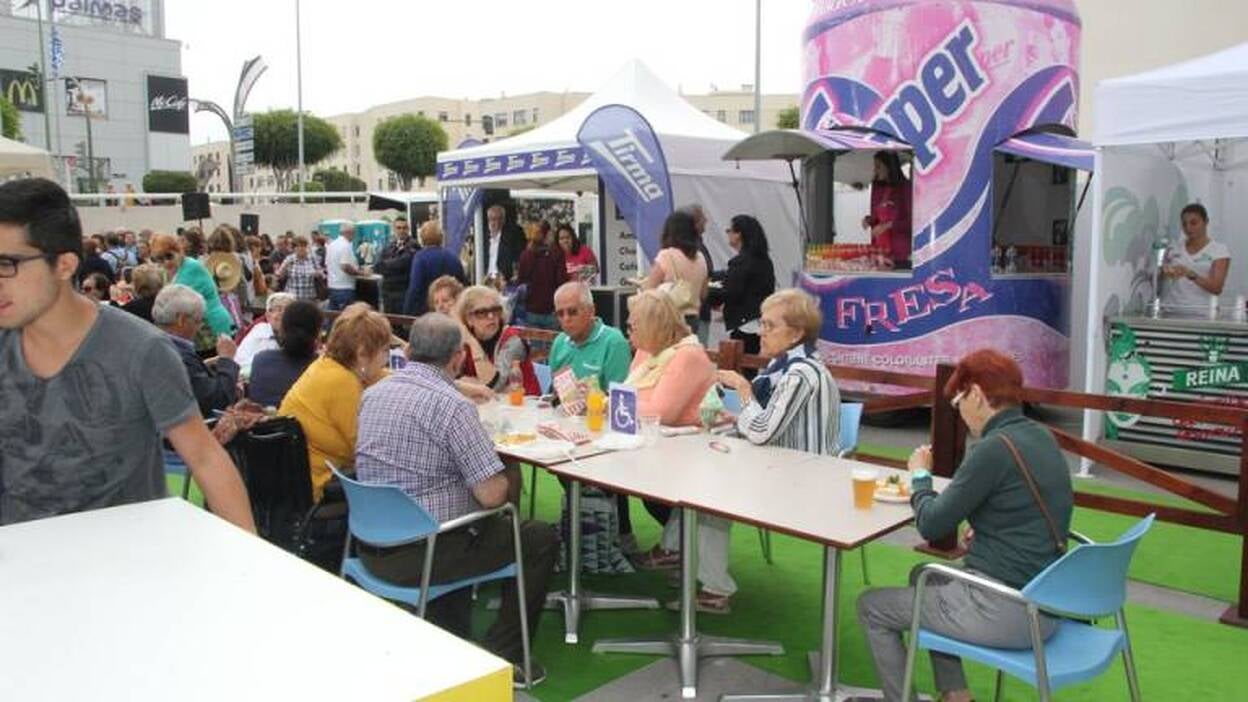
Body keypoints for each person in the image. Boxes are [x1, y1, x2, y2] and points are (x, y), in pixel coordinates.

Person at [0, 178, 254, 530]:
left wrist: (248, 570)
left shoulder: (141, 350)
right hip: (19, 562)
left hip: (124, 562)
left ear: (64, 265)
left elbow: (205, 458)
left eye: (6, 264)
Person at [856, 349, 1073, 702]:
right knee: (924, 573)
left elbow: (931, 523)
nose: (959, 412)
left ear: (975, 394)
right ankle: (957, 696)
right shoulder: (1040, 436)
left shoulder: (992, 448)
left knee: (872, 606)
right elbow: (1034, 505)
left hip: (1006, 608)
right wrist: (987, 525)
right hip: (1045, 598)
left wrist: (920, 476)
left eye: (958, 401)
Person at [355, 312, 558, 687]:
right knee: (537, 537)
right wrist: (503, 465)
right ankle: (505, 655)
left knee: (468, 520)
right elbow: (493, 495)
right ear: (458, 358)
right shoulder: (453, 408)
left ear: (410, 350)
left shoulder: (372, 394)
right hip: (427, 552)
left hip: (370, 546)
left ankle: (449, 636)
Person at [625, 291, 734, 612]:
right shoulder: (648, 352)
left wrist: (617, 402)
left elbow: (662, 411)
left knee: (705, 497)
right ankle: (673, 549)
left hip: (703, 450)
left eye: (633, 325)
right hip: (664, 446)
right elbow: (625, 396)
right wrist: (618, 401)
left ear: (654, 325)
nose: (628, 332)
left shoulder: (687, 356)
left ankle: (716, 587)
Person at [548, 281, 637, 555]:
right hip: (570, 429)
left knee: (589, 465)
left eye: (572, 312)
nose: (565, 319)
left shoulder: (613, 341)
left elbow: (622, 400)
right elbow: (555, 391)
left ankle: (619, 532)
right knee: (557, 461)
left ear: (591, 310)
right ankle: (584, 525)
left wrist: (591, 398)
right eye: (559, 313)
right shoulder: (560, 343)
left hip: (608, 433)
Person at [278, 302, 391, 502]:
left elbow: (379, 373)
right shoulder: (343, 383)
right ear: (363, 353)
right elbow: (364, 447)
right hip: (320, 485)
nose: (387, 358)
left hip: (292, 478)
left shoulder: (326, 365)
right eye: (385, 350)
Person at [718, 289, 840, 454]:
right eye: (761, 324)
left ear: (796, 334)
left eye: (770, 326)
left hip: (804, 471)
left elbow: (761, 433)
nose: (760, 332)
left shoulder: (800, 374)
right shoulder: (782, 365)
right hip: (780, 463)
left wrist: (742, 387)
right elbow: (771, 422)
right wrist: (739, 420)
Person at [153, 284, 241, 417]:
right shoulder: (176, 353)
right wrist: (227, 359)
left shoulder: (152, 340)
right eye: (198, 320)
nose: (199, 327)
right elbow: (217, 400)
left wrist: (205, 364)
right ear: (181, 320)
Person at [454, 285, 540, 394]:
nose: (491, 316)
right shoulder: (462, 342)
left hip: (525, 406)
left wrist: (472, 342)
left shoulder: (513, 339)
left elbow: (494, 385)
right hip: (488, 406)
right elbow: (449, 382)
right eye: (482, 312)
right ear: (469, 319)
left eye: (495, 310)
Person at [709, 215, 776, 355]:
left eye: (729, 230)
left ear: (739, 234)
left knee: (740, 368)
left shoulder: (741, 262)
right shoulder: (764, 260)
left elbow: (730, 291)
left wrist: (704, 292)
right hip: (758, 320)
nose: (727, 234)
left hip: (745, 325)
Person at [150, 232, 235, 340]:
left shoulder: (192, 267)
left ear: (179, 251)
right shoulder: (168, 272)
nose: (166, 262)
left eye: (169, 256)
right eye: (160, 259)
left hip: (212, 325)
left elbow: (174, 302)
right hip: (194, 327)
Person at [642, 210, 709, 337]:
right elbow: (704, 293)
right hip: (694, 319)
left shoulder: (667, 255)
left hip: (670, 319)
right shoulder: (700, 257)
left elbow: (649, 291)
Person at [1162, 203, 1231, 316]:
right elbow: (1163, 276)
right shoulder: (1174, 248)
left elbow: (1216, 288)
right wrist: (1166, 272)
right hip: (1171, 312)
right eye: (1184, 224)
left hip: (1201, 315)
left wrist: (1190, 274)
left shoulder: (1219, 250)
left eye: (1194, 223)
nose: (1188, 228)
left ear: (1206, 222)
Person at [248, 300, 322, 408]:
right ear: (318, 333)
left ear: (282, 329)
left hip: (264, 422)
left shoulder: (261, 359)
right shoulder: (322, 368)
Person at [404, 220, 467, 316]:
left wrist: (407, 311)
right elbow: (462, 283)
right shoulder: (453, 256)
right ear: (441, 237)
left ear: (422, 238)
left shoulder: (420, 257)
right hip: (452, 308)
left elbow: (415, 287)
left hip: (429, 310)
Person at [863, 151, 912, 268]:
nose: (875, 170)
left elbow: (912, 222)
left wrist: (888, 225)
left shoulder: (906, 188)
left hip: (900, 254)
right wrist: (868, 220)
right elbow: (877, 219)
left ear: (890, 167)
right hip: (879, 251)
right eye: (874, 167)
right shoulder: (877, 189)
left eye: (878, 166)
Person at [516, 221, 569, 330]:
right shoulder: (557, 253)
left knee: (535, 346)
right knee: (554, 345)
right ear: (548, 234)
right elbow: (562, 282)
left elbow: (521, 281)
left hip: (531, 310)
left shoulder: (525, 255)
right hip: (552, 309)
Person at [235, 292, 295, 370]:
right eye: (278, 309)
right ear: (268, 316)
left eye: (288, 310)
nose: (283, 313)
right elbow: (239, 360)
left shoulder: (299, 334)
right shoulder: (259, 331)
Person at [375, 216, 419, 314]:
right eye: (398, 228)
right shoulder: (389, 246)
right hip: (388, 294)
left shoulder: (413, 245)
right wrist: (389, 265)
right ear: (394, 229)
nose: (401, 231)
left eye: (404, 228)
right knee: (390, 325)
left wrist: (386, 265)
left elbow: (403, 263)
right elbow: (377, 266)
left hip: (403, 292)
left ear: (408, 229)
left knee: (403, 324)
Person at [483, 204, 525, 286]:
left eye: (500, 219)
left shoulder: (514, 234)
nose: (497, 222)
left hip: (504, 280)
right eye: (493, 219)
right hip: (486, 279)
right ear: (488, 220)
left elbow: (518, 256)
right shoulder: (482, 235)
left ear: (504, 219)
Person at [325, 222, 361, 310]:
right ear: (349, 232)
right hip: (345, 287)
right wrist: (360, 273)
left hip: (332, 286)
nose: (354, 236)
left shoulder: (331, 245)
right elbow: (345, 266)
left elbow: (327, 264)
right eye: (354, 233)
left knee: (333, 317)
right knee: (346, 319)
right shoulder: (346, 245)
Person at [277, 234, 323, 302]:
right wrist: (285, 268)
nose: (301, 248)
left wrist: (318, 273)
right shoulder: (289, 259)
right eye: (298, 246)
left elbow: (321, 273)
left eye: (304, 246)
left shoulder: (312, 258)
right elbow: (280, 276)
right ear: (294, 248)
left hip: (309, 298)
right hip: (292, 298)